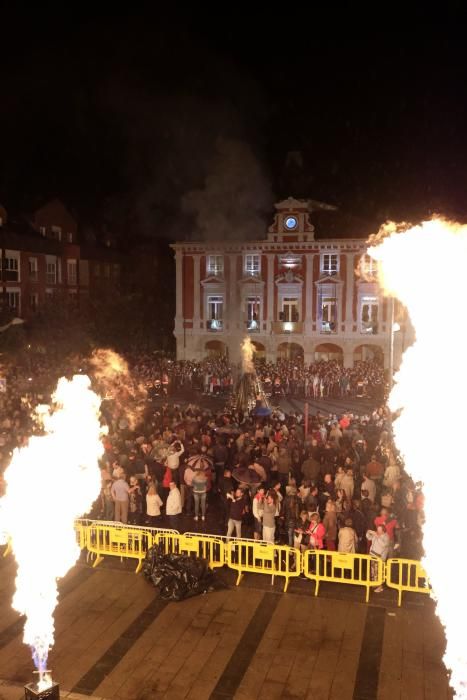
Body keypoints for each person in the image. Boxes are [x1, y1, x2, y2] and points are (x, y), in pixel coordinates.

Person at [366, 523, 390, 593]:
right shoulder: (376, 534)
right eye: (377, 529)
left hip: (380, 558)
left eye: (380, 530)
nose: (378, 531)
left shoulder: (386, 536)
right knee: (373, 571)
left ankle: (380, 586)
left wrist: (377, 536)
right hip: (373, 555)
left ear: (383, 530)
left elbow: (383, 545)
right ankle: (375, 584)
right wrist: (368, 532)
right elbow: (368, 538)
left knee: (379, 572)